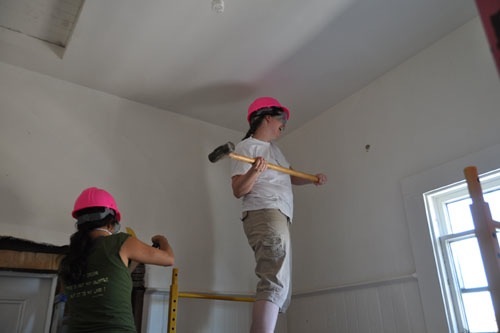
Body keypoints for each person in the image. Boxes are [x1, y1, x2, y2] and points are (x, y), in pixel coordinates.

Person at [231, 97, 327, 333]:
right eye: (281, 121)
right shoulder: (247, 147)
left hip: (279, 215)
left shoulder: (275, 150)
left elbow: (289, 175)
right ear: (267, 118)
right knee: (274, 277)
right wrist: (255, 169)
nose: (283, 126)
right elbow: (238, 190)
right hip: (264, 211)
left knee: (280, 282)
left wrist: (312, 178)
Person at [59, 187, 175, 333]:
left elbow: (107, 278)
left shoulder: (68, 259)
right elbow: (169, 259)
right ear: (110, 223)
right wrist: (161, 239)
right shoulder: (120, 242)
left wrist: (132, 262)